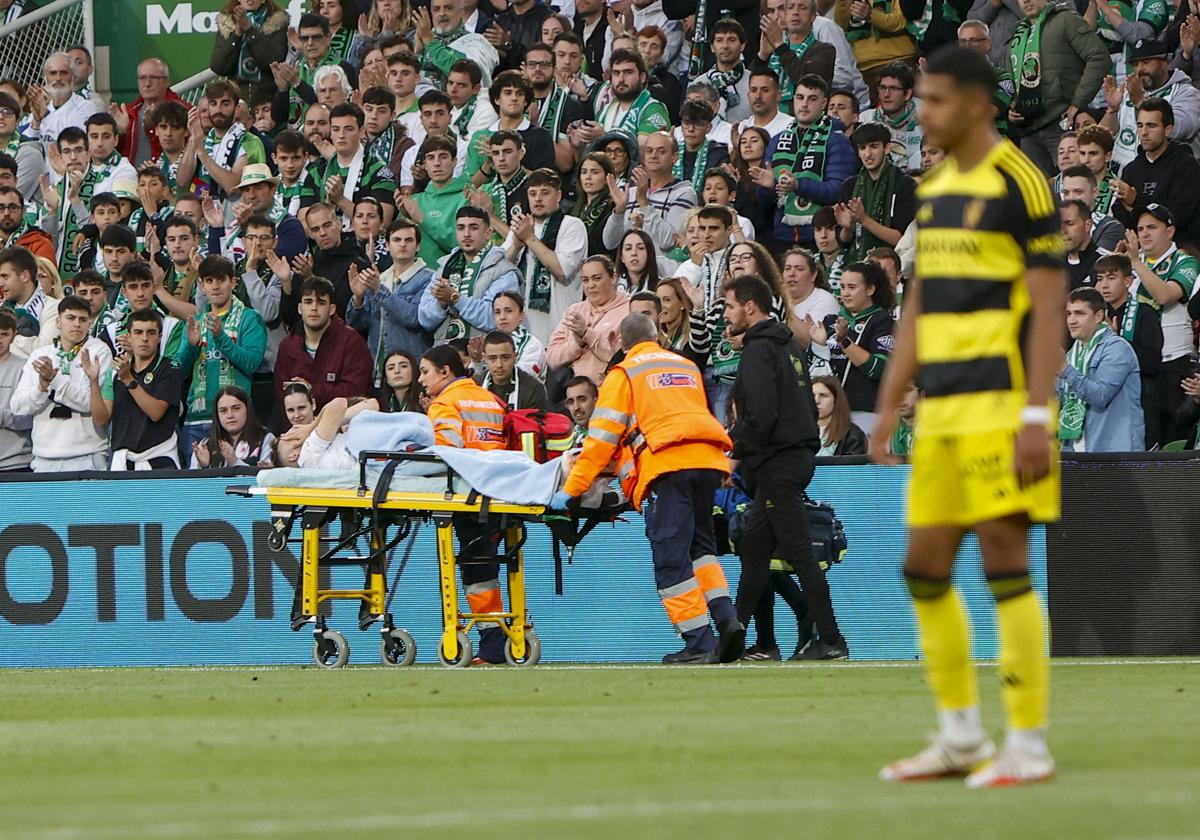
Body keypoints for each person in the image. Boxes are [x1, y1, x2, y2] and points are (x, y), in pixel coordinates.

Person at [871, 47, 1064, 788]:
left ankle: (1029, 744)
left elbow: (1048, 307)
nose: (922, 112)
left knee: (1004, 567)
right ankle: (959, 736)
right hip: (942, 413)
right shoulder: (938, 181)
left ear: (979, 104)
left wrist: (1038, 415)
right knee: (923, 568)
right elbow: (918, 299)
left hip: (1000, 405)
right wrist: (891, 400)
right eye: (919, 99)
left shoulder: (1019, 179)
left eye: (935, 100)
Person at [554, 313, 743, 665]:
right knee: (701, 549)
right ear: (657, 337)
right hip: (707, 463)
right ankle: (726, 618)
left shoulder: (624, 373)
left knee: (671, 559)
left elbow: (602, 438)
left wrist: (573, 487)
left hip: (666, 468)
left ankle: (700, 642)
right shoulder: (684, 365)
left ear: (623, 343)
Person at [722, 273, 846, 660]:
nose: (725, 315)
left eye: (728, 306)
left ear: (749, 306)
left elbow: (760, 415)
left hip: (778, 463)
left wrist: (735, 452)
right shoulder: (788, 345)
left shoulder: (759, 351)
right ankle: (735, 643)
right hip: (792, 458)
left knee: (799, 551)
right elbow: (802, 406)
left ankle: (830, 640)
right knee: (755, 551)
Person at [419, 343, 510, 663]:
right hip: (500, 491)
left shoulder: (445, 403)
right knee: (488, 564)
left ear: (445, 372)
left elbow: (448, 449)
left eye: (425, 372)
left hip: (466, 494)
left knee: (477, 568)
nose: (421, 379)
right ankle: (497, 637)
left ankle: (493, 641)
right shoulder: (490, 399)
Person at [1122, 203, 1199, 444]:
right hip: (1139, 366)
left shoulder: (1185, 262)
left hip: (1176, 365)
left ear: (1170, 232)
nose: (1144, 233)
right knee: (1146, 441)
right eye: (1140, 228)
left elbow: (1165, 295)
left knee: (1174, 441)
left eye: (1152, 227)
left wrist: (1136, 264)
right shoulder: (1131, 263)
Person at [176, 255, 268, 451]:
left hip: (235, 421)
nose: (215, 286)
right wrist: (191, 346)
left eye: (221, 280)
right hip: (197, 419)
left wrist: (220, 337)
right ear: (201, 284)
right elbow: (179, 371)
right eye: (209, 281)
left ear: (233, 282)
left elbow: (252, 362)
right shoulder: (195, 322)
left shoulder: (250, 319)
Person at [10, 294, 111, 471]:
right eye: (70, 318)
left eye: (82, 319)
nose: (77, 324)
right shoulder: (40, 355)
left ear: (90, 324)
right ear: (58, 322)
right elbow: (18, 406)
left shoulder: (98, 351)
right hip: (44, 456)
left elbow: (91, 403)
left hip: (87, 454)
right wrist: (41, 387)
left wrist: (54, 380)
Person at [757, 75, 857, 252]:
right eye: (800, 97)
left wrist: (798, 185)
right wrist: (768, 187)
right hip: (782, 238)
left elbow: (839, 190)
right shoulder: (778, 141)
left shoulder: (836, 140)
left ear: (824, 103)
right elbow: (764, 205)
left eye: (812, 99)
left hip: (820, 239)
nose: (804, 104)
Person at [82, 308, 183, 470]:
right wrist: (93, 382)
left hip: (160, 461)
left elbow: (156, 413)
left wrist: (128, 379)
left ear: (159, 338)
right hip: (123, 461)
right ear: (129, 336)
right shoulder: (115, 371)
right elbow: (101, 419)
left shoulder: (170, 368)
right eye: (138, 332)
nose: (144, 338)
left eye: (151, 333)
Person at [274, 276, 374, 424]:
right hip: (299, 430)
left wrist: (311, 390)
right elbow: (282, 397)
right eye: (308, 302)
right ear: (300, 308)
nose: (314, 308)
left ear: (332, 309)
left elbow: (356, 392)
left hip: (344, 428)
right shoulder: (287, 346)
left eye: (321, 302)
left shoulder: (351, 341)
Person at [808, 260, 894, 432]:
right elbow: (820, 366)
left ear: (870, 289)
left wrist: (845, 342)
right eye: (842, 287)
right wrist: (818, 345)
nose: (845, 293)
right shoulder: (831, 320)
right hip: (832, 413)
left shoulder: (882, 321)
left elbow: (878, 369)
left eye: (852, 287)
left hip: (866, 411)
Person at [1056, 286, 1144, 452]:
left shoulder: (1117, 349)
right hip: (1074, 450)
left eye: (1079, 313)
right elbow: (1059, 402)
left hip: (1113, 451)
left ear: (1098, 316)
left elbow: (1100, 396)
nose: (1071, 320)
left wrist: (1064, 369)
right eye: (1069, 313)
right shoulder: (1072, 354)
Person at [503, 168, 586, 343]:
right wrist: (516, 247)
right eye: (533, 193)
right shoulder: (519, 228)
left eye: (545, 193)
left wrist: (529, 238)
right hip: (524, 333)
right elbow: (500, 272)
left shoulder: (572, 225)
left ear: (558, 195)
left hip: (560, 329)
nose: (538, 199)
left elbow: (562, 270)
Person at [418, 205, 521, 342]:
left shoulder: (504, 271)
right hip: (445, 352)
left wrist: (455, 299)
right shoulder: (445, 267)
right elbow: (424, 319)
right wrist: (441, 303)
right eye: (461, 228)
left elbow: (493, 319)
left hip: (484, 355)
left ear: (488, 233)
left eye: (474, 228)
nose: (466, 234)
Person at [347, 218, 434, 377]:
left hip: (414, 371)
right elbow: (357, 325)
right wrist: (358, 298)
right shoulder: (378, 279)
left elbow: (414, 318)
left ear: (418, 246)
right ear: (387, 245)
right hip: (378, 370)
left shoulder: (429, 279)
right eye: (396, 240)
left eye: (408, 240)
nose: (402, 244)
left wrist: (379, 290)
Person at [1095, 253, 1163, 448]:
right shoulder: (1095, 317)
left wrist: (1117, 341)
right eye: (1100, 279)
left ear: (1128, 281)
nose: (1104, 285)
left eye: (1111, 277)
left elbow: (1152, 363)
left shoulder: (1145, 313)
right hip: (1103, 409)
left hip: (1139, 405)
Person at [1112, 98, 1200, 246]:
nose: (1144, 132)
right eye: (1140, 125)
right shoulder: (1131, 169)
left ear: (1168, 129)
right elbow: (1120, 212)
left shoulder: (1186, 164)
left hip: (1180, 248)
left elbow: (1180, 214)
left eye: (1151, 126)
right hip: (1141, 249)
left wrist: (1135, 202)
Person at [1102, 39, 1200, 168]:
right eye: (1135, 64)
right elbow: (1102, 139)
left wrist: (1139, 102)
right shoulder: (1127, 91)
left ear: (1166, 61)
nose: (1140, 69)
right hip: (1123, 174)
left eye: (1146, 62)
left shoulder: (1185, 93)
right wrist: (1112, 109)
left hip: (1166, 174)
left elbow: (1181, 130)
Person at [836, 122, 918, 264]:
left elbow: (902, 240)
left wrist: (864, 220)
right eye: (862, 148)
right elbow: (843, 242)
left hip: (893, 268)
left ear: (887, 148)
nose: (868, 154)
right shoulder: (850, 186)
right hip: (855, 267)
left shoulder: (905, 185)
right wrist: (846, 228)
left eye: (874, 146)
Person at [604, 131, 698, 254]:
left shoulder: (684, 193)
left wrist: (644, 202)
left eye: (661, 151)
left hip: (664, 272)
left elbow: (670, 242)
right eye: (649, 150)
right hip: (630, 270)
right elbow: (609, 243)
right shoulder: (630, 193)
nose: (654, 155)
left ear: (674, 157)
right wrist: (619, 211)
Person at [546, 255, 631, 386]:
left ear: (613, 278)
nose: (591, 285)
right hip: (574, 395)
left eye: (597, 278)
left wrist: (587, 334)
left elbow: (623, 358)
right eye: (585, 280)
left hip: (611, 389)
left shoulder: (629, 310)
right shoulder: (574, 311)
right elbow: (552, 358)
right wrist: (577, 344)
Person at [754, 0, 836, 112]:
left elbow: (808, 82)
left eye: (802, 8)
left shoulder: (824, 50)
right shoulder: (774, 50)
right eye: (790, 8)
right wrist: (762, 56)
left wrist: (780, 46)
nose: (795, 12)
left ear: (813, 16)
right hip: (770, 120)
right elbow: (751, 87)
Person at [403, 136, 471, 268]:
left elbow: (463, 243)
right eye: (430, 158)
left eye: (443, 156)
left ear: (454, 162)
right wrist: (405, 218)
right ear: (424, 165)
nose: (437, 163)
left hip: (447, 277)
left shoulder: (466, 198)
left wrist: (423, 220)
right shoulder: (414, 200)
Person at [210, 0, 290, 100]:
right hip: (235, 97)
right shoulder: (227, 22)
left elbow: (274, 61)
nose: (249, 0)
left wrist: (249, 30)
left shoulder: (277, 22)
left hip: (267, 96)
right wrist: (237, 35)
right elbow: (218, 67)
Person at [833, 0, 916, 95]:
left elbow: (901, 21)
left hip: (898, 61)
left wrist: (871, 15)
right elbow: (842, 25)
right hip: (864, 69)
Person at [30, 52, 101, 151]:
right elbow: (27, 146)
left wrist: (46, 117)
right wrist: (36, 122)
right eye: (53, 73)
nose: (58, 78)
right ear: (45, 78)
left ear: (73, 77)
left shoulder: (86, 107)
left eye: (63, 73)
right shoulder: (40, 108)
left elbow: (74, 143)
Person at [190, 386, 275, 468]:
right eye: (223, 411)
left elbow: (267, 479)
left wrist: (235, 462)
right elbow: (191, 481)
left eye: (236, 408)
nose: (230, 415)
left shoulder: (267, 439)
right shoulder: (205, 445)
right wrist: (204, 467)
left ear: (248, 409)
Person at [860, 63, 924, 172]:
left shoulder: (926, 115)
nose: (886, 94)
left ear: (907, 93)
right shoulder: (866, 119)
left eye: (893, 88)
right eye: (882, 88)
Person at [0, 244, 58, 357]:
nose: (0, 284)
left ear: (25, 276)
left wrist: (9, 338)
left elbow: (44, 351)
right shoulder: (3, 308)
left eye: (5, 277)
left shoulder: (55, 308)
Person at [478, 329, 550, 410]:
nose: (499, 365)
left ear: (515, 357)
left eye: (505, 358)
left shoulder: (534, 389)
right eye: (492, 358)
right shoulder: (474, 385)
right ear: (484, 359)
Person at [0, 310, 32, 471]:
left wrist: (2, 417)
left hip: (16, 463)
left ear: (14, 335)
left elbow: (30, 416)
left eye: (4, 334)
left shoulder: (25, 368)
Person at [569, 151, 615, 257]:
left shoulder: (612, 208)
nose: (588, 177)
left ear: (607, 178)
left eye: (594, 172)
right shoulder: (571, 210)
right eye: (584, 172)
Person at [492, 289, 545, 377]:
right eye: (497, 312)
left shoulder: (532, 345)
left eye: (508, 311)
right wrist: (477, 361)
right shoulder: (489, 342)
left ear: (521, 315)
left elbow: (523, 379)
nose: (502, 317)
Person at [813, 374, 868, 455]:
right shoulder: (796, 432)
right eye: (812, 395)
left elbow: (851, 466)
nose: (816, 401)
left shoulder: (853, 435)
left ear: (836, 401)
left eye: (823, 395)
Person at [1060, 198, 1100, 291]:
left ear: (1088, 225)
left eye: (1069, 223)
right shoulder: (1052, 265)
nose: (1062, 231)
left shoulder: (1102, 262)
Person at [562, 374, 597, 445]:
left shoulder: (611, 434)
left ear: (596, 401)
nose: (576, 407)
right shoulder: (566, 438)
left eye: (582, 399)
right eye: (571, 402)